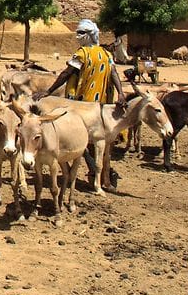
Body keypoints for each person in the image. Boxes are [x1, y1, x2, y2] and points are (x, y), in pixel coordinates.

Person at [34, 18, 126, 188]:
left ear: (89, 35)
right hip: (102, 105)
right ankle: (101, 176)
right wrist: (120, 93)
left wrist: (48, 91)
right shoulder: (106, 54)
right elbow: (114, 74)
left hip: (84, 104)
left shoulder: (82, 54)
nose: (78, 36)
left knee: (83, 138)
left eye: (81, 33)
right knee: (101, 143)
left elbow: (66, 74)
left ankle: (94, 172)